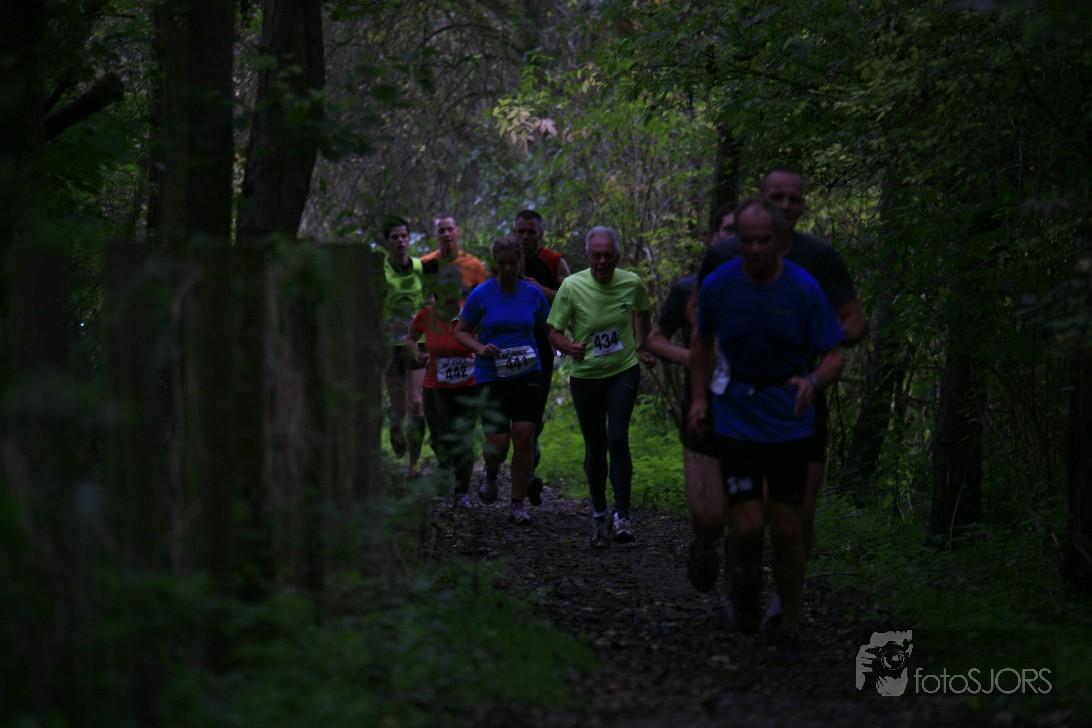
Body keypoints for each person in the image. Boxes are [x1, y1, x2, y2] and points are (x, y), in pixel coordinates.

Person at [694, 168, 867, 629]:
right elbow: (699, 328)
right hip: (736, 402)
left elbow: (851, 326)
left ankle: (786, 615)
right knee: (746, 520)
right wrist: (702, 393)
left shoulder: (815, 267)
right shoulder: (722, 264)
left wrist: (813, 361)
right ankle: (741, 586)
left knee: (793, 518)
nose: (787, 205)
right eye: (778, 197)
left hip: (796, 402)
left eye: (795, 198)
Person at [645, 203, 735, 597]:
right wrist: (691, 358)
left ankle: (737, 594)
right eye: (728, 230)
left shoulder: (773, 288)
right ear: (714, 238)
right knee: (709, 516)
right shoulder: (687, 289)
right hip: (702, 408)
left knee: (747, 516)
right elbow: (655, 339)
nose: (736, 239)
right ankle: (705, 541)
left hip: (753, 410)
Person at [547, 226, 657, 548]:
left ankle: (622, 514)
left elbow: (643, 311)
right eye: (596, 256)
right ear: (588, 257)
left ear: (617, 257)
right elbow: (553, 331)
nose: (602, 262)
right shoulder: (571, 286)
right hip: (586, 377)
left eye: (608, 255)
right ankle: (598, 514)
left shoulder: (631, 283)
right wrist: (569, 347)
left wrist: (642, 345)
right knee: (595, 447)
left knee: (617, 439)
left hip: (623, 371)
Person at [455, 236, 550, 525]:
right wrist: (480, 347)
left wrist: (569, 345)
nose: (507, 269)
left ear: (520, 263)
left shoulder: (532, 294)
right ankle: (491, 470)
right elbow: (461, 331)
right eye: (502, 263)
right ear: (495, 264)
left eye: (512, 263)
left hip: (528, 372)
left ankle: (517, 504)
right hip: (491, 374)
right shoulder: (481, 294)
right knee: (498, 444)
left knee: (524, 436)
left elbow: (550, 328)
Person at [513, 209, 571, 504]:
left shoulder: (553, 260)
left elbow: (573, 295)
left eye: (530, 232)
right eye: (520, 232)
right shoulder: (506, 259)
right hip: (507, 348)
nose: (524, 237)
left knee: (532, 414)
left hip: (541, 348)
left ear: (541, 234)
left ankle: (528, 473)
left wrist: (540, 290)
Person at [407, 280, 478, 508]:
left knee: (464, 438)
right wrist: (416, 353)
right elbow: (411, 337)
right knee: (439, 435)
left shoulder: (471, 313)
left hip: (467, 385)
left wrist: (481, 351)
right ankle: (445, 465)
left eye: (452, 292)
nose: (448, 298)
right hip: (435, 385)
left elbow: (486, 337)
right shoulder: (426, 315)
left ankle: (461, 492)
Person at [380, 215, 429, 472]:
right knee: (399, 406)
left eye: (404, 236)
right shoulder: (382, 271)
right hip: (391, 346)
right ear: (387, 241)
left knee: (417, 402)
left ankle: (414, 464)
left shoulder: (420, 268)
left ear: (409, 239)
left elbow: (431, 301)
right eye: (395, 237)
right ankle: (395, 425)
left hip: (417, 343)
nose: (400, 241)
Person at [421, 214, 489, 302]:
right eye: (441, 231)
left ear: (458, 231)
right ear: (436, 235)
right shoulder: (424, 264)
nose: (446, 234)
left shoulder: (475, 264)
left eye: (450, 229)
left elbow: (483, 300)